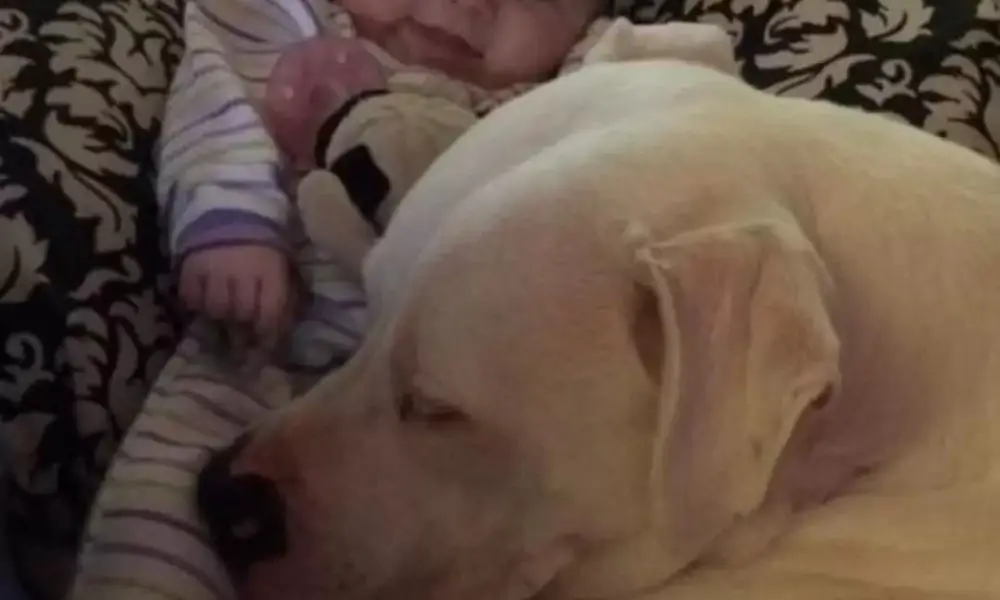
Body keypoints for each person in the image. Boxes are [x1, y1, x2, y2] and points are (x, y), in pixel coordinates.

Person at [157, 0, 604, 368]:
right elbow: (219, 89)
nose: (473, 5)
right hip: (267, 344)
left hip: (451, 385)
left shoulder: (560, 93)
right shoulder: (297, 20)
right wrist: (234, 219)